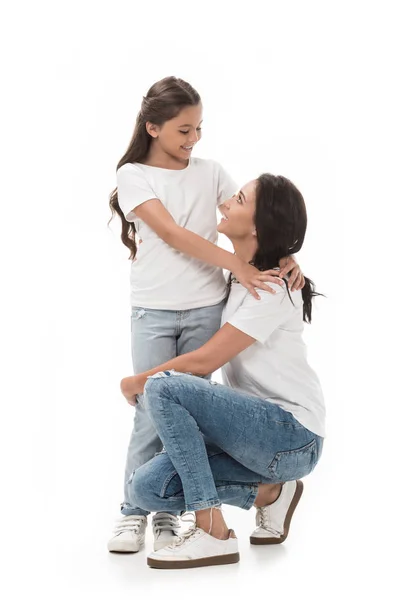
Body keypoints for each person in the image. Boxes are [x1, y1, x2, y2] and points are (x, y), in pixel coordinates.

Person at [108, 76, 303, 553]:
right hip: (152, 311)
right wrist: (237, 263)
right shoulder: (133, 175)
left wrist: (288, 257)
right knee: (149, 414)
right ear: (152, 127)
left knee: (185, 414)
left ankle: (171, 515)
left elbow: (255, 218)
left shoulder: (211, 171)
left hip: (205, 310)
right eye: (183, 131)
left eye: (198, 128)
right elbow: (173, 234)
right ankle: (134, 513)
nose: (193, 140)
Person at [120, 173, 326, 569]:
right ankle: (269, 494)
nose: (225, 204)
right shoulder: (240, 276)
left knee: (163, 387)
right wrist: (282, 251)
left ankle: (211, 531)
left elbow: (205, 361)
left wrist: (137, 381)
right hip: (250, 439)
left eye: (238, 199)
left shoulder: (274, 286)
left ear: (258, 224)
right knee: (146, 487)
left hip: (291, 435)